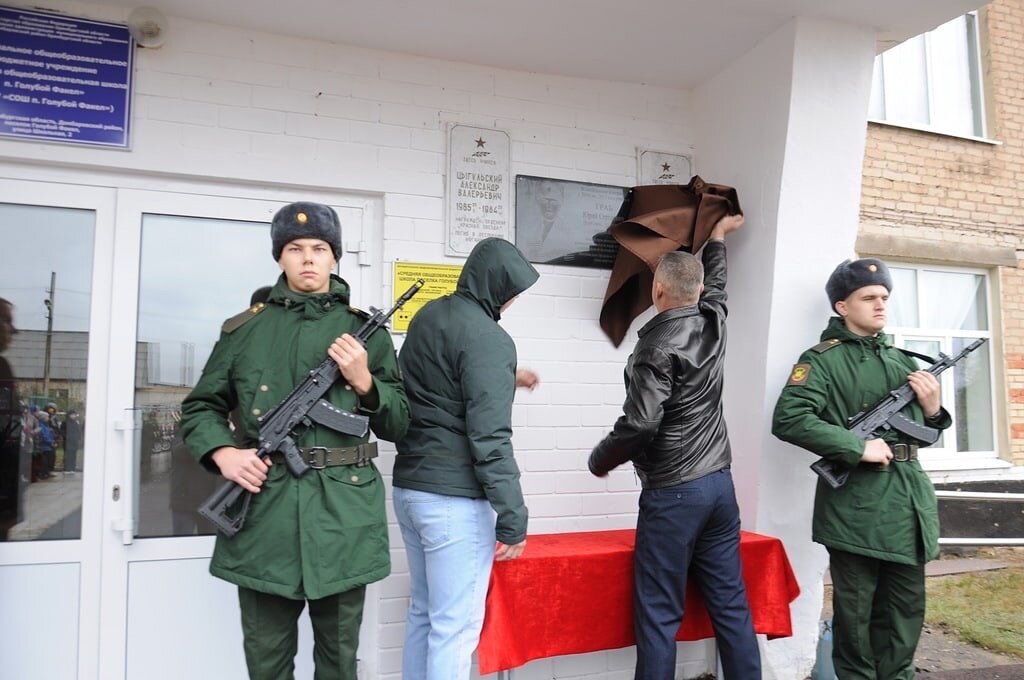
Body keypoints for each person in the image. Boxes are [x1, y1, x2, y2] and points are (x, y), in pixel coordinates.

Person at [180, 201, 409, 680]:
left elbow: (400, 422)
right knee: (266, 663)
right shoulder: (245, 331)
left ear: (334, 258)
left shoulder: (365, 332)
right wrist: (223, 453)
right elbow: (201, 406)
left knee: (339, 662)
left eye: (320, 248)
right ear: (279, 258)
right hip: (265, 516)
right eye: (296, 248)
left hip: (344, 516)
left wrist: (365, 381)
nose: (308, 258)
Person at [588, 213, 761, 680]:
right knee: (731, 607)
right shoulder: (713, 321)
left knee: (659, 616)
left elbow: (641, 423)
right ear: (699, 293)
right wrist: (718, 238)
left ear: (658, 291)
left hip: (674, 495)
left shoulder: (654, 347)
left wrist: (601, 458)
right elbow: (718, 286)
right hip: (720, 488)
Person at [772, 258, 948, 680]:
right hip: (857, 508)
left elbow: (924, 435)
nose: (880, 305)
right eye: (868, 298)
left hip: (909, 504)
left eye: (884, 297)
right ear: (841, 307)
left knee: (905, 615)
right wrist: (856, 446)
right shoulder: (821, 361)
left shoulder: (903, 361)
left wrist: (933, 409)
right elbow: (789, 418)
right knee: (856, 618)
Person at [392, 237, 539, 680]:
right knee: (455, 629)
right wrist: (513, 515)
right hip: (453, 501)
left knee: (424, 612)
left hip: (410, 490)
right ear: (496, 284)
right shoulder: (490, 338)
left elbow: (438, 382)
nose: (513, 300)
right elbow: (490, 437)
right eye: (512, 289)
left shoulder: (429, 315)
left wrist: (503, 377)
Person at [61, 410, 83, 474]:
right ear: (69, 415)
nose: (74, 416)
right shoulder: (65, 422)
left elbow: (78, 431)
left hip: (74, 441)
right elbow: (62, 431)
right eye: (72, 415)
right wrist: (67, 436)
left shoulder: (76, 422)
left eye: (74, 415)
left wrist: (78, 438)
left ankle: (72, 468)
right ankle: (67, 468)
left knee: (73, 454)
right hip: (68, 441)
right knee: (68, 455)